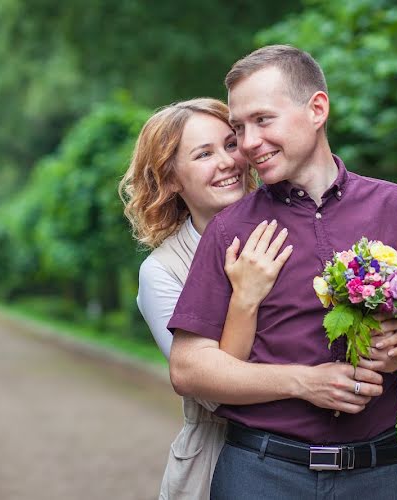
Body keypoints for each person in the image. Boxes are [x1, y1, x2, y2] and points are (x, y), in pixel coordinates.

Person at [167, 45, 397, 499]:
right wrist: (305, 382)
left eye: (262, 120)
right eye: (239, 127)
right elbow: (189, 369)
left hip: (377, 473)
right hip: (260, 474)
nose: (247, 143)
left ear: (317, 109)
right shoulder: (230, 227)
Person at [119, 98, 294, 499]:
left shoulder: (289, 226)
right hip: (221, 456)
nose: (228, 161)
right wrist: (245, 297)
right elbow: (213, 393)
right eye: (204, 154)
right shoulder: (163, 271)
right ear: (171, 179)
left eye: (231, 145)